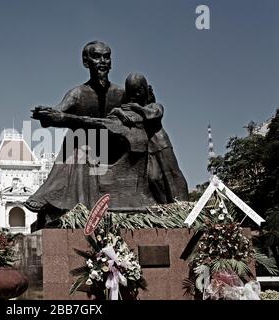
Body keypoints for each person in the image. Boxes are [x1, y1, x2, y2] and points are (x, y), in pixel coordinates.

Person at [25, 42, 156, 229]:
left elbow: (143, 114)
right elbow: (56, 115)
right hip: (89, 150)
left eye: (106, 57)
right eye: (97, 57)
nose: (102, 62)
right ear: (86, 62)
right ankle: (66, 201)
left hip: (118, 149)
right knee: (79, 143)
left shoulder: (121, 93)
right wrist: (47, 115)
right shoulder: (77, 94)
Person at [110, 73, 189, 203]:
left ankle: (182, 204)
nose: (134, 96)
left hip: (161, 145)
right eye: (131, 92)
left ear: (144, 90)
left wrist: (137, 107)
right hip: (149, 149)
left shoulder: (155, 106)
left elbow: (152, 115)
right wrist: (118, 111)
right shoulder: (135, 110)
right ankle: (166, 206)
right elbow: (123, 118)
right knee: (153, 178)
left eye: (137, 91)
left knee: (172, 174)